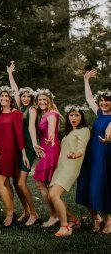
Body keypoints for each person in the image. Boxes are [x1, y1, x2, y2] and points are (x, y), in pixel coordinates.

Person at [76, 69, 111, 234]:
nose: (104, 103)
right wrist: (86, 81)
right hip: (92, 154)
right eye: (102, 100)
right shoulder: (98, 113)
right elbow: (89, 98)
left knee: (101, 186)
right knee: (86, 186)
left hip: (105, 155)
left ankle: (108, 220)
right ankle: (96, 218)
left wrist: (109, 139)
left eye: (107, 101)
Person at [49, 105, 90, 237]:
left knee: (54, 195)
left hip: (71, 166)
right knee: (52, 196)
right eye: (71, 115)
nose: (73, 117)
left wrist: (75, 154)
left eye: (77, 115)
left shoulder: (84, 130)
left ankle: (65, 226)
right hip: (61, 167)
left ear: (81, 117)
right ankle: (73, 220)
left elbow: (81, 149)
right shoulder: (69, 132)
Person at [7, 62, 38, 226]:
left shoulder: (32, 109)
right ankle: (26, 211)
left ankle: (34, 213)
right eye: (23, 96)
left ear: (32, 98)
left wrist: (34, 144)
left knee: (21, 182)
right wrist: (10, 74)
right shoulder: (19, 108)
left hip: (29, 147)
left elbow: (32, 127)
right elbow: (14, 89)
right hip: (18, 147)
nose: (25, 98)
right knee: (15, 181)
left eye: (28, 96)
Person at [0, 85, 29, 227]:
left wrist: (23, 153)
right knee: (6, 183)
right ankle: (12, 212)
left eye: (6, 97)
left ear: (11, 99)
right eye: (1, 97)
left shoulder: (16, 113)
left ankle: (9, 214)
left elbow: (19, 134)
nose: (3, 99)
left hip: (9, 151)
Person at [31, 88, 60, 227]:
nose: (42, 102)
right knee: (44, 184)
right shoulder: (43, 113)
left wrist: (50, 139)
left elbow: (51, 132)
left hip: (50, 150)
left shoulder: (51, 114)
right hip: (45, 149)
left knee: (43, 184)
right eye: (40, 100)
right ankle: (59, 215)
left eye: (44, 99)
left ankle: (54, 215)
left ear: (49, 100)